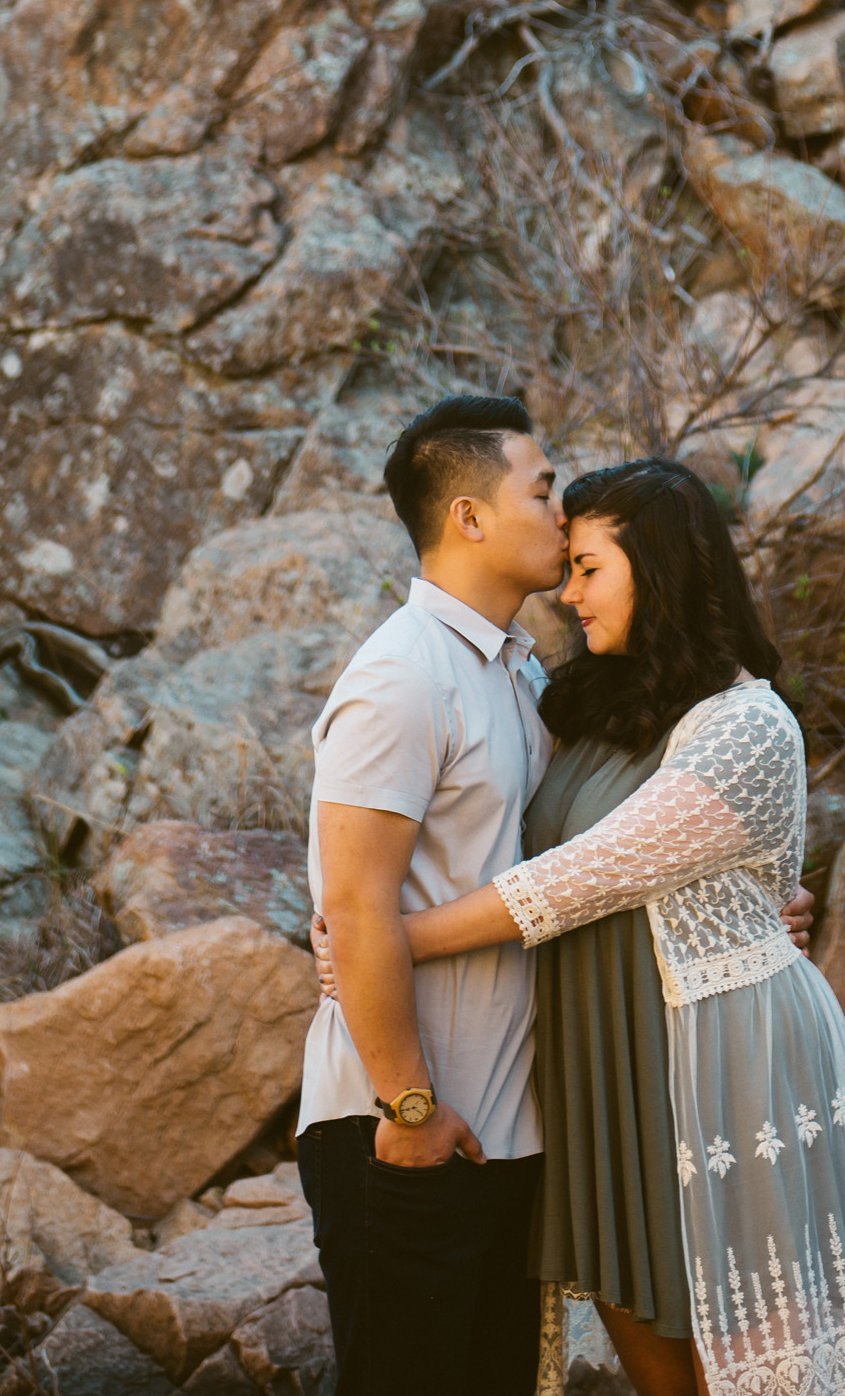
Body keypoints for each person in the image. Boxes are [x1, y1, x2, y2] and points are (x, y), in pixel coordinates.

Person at [381, 456, 845, 1396]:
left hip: (718, 1062)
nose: (569, 593)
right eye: (570, 567)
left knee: (749, 1355)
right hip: (597, 1065)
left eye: (591, 569)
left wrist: (389, 941)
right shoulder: (581, 706)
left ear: (659, 571)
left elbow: (577, 880)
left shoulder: (748, 724)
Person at [295, 391, 567, 1396]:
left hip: (501, 1134)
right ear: (469, 516)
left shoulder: (515, 673)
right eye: (543, 489)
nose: (562, 512)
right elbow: (356, 905)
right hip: (404, 1128)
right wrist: (408, 1106)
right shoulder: (400, 675)